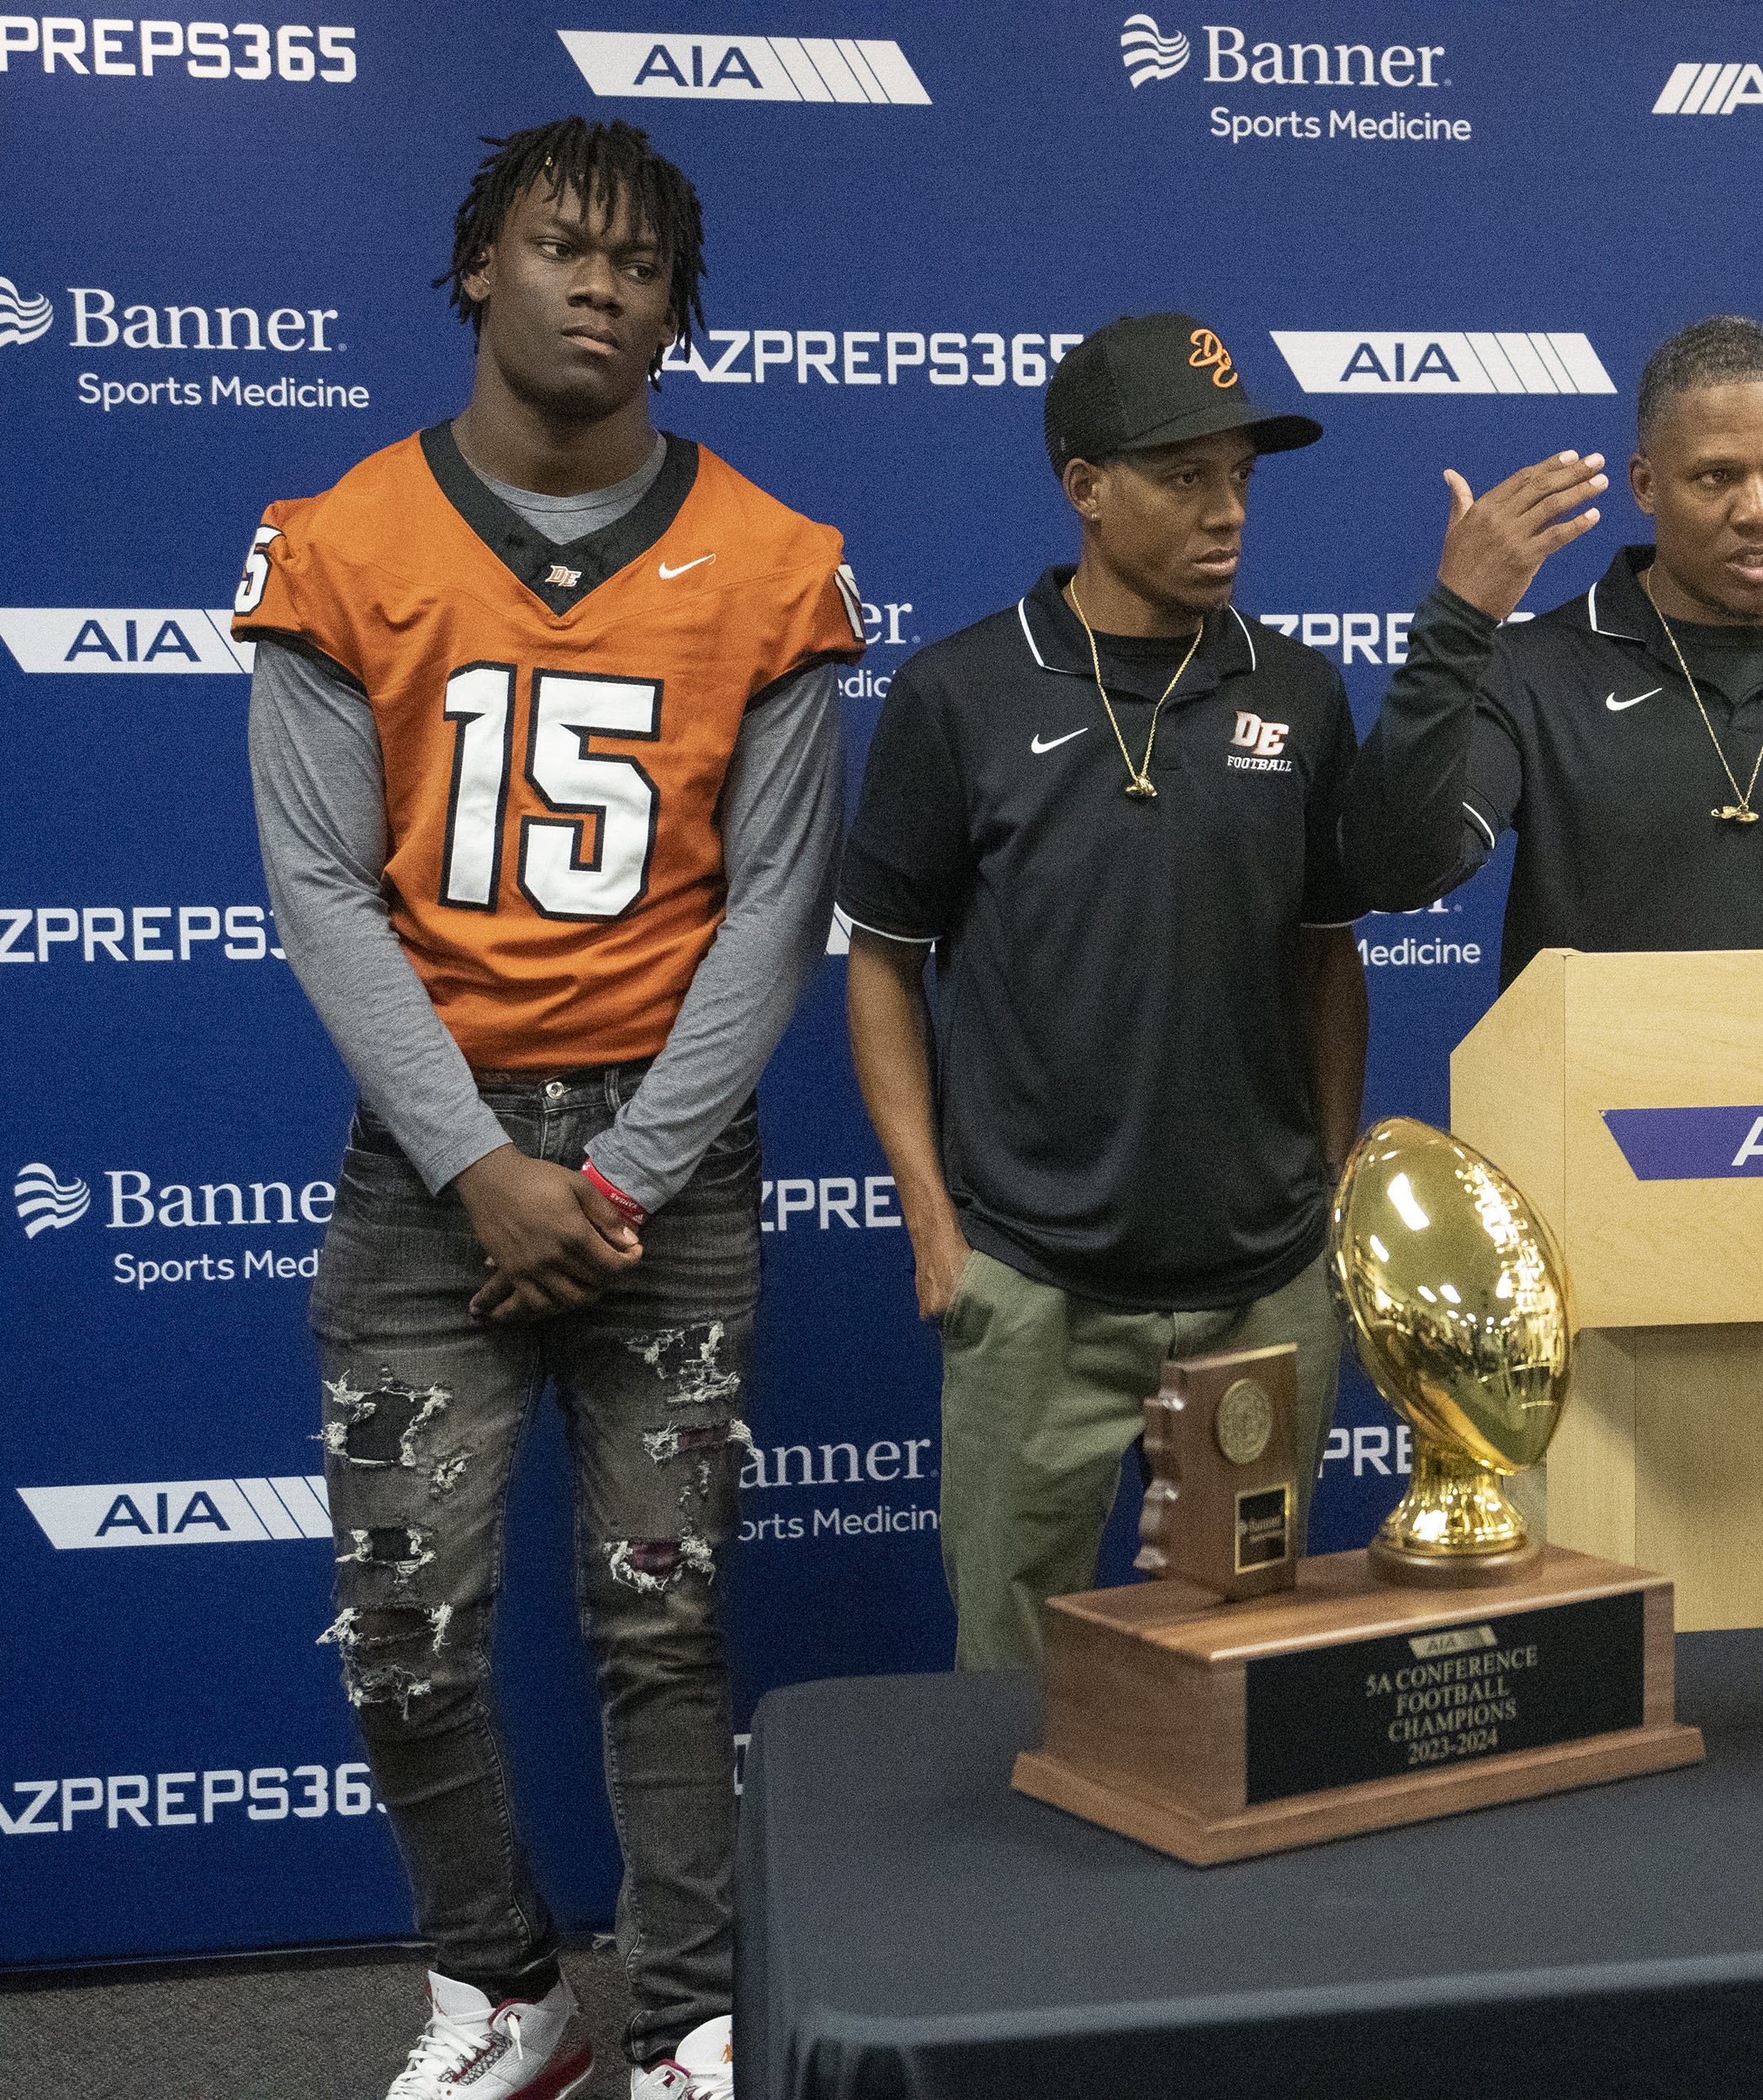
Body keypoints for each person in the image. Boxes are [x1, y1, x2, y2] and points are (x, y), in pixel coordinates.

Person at [241, 118, 857, 2100]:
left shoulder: (768, 560)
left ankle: (685, 2016)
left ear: (681, 306)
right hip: (438, 1159)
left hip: (662, 1152)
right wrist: (484, 1165)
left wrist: (615, 1177)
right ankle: (506, 1988)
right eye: (559, 246)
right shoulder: (341, 539)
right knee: (405, 1623)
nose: (601, 286)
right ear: (475, 268)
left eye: (642, 263)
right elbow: (322, 889)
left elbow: (775, 907)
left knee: (657, 1626)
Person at [838, 312, 1366, 1669]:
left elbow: (1327, 953)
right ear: (1085, 488)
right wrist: (934, 1230)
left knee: (1240, 1666)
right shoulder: (959, 692)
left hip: (1259, 1288)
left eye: (1240, 476)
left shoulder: (1298, 694)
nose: (1225, 510)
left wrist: (1330, 1184)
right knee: (1010, 1681)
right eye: (1183, 476)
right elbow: (883, 965)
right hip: (1033, 1285)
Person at [1342, 315, 1763, 978]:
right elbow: (1394, 876)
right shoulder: (1532, 671)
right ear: (1646, 485)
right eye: (1716, 477)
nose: (1758, 509)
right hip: (1596, 1082)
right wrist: (1456, 624)